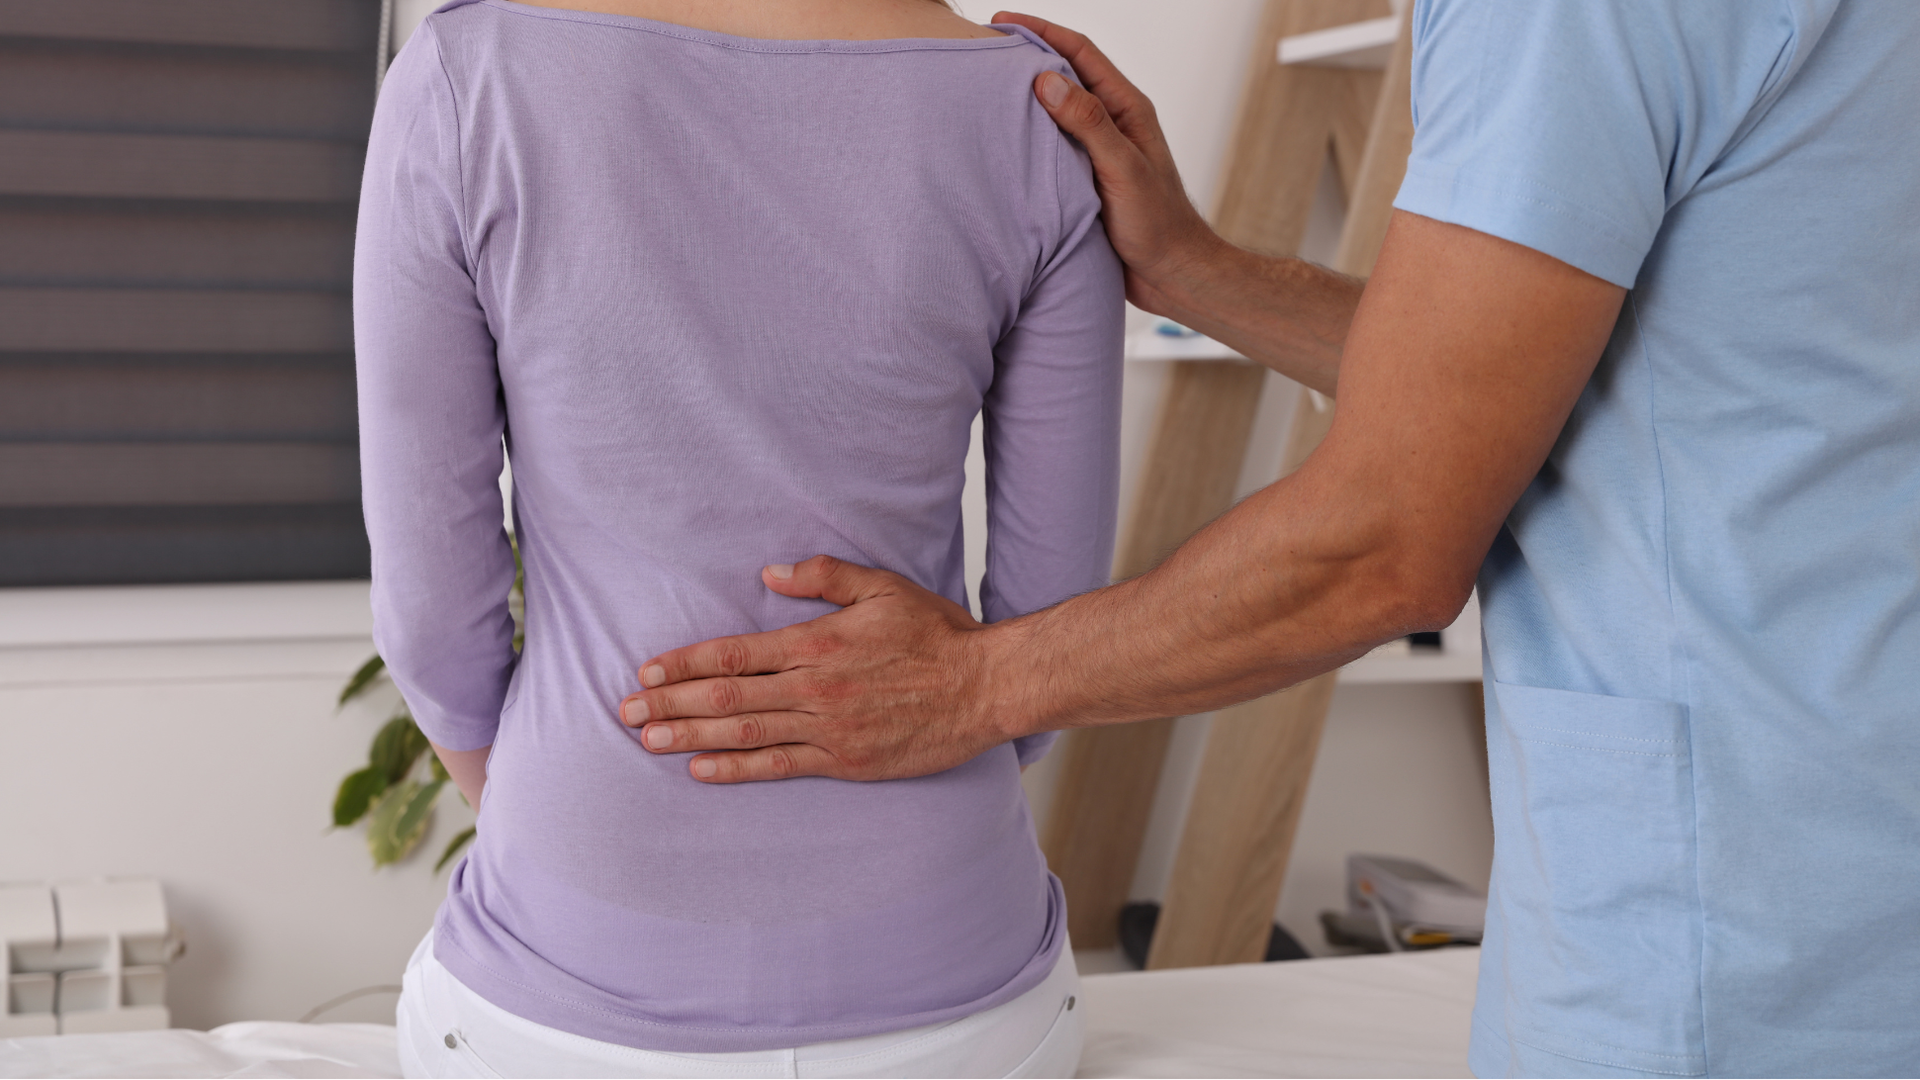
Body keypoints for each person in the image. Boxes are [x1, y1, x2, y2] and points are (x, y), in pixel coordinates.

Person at [621, 3, 1920, 1076]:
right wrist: (1188, 266)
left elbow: (1390, 539)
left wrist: (969, 683)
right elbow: (1519, 382)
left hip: (1749, 936)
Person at [353, 0, 1123, 1075]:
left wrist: (566, 807)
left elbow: (432, 618)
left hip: (567, 996)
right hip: (961, 997)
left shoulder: (464, 80)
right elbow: (1053, 623)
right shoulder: (1039, 109)